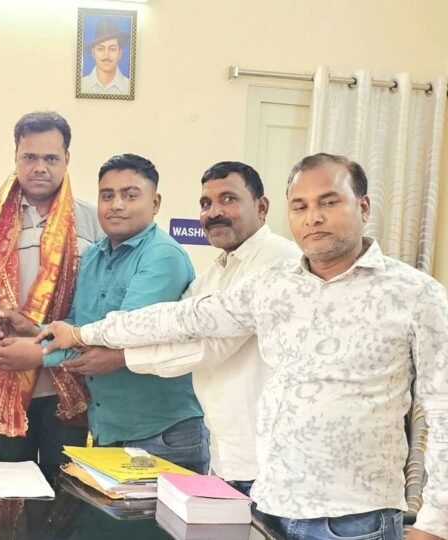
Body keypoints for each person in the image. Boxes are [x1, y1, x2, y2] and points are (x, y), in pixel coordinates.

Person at [41, 153, 448, 540]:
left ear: (363, 207)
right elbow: (182, 319)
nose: (313, 217)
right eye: (301, 206)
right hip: (268, 503)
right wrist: (82, 334)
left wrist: (435, 521)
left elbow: (443, 409)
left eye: (329, 202)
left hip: (353, 518)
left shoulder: (415, 294)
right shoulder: (274, 285)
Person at [0, 154, 208, 474]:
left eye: (130, 195)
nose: (116, 205)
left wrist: (36, 355)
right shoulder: (95, 255)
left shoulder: (162, 256)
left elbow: (124, 336)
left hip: (160, 432)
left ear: (155, 203)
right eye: (107, 195)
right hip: (108, 426)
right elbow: (78, 324)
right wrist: (33, 328)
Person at [121, 161, 299, 494]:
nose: (214, 212)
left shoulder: (281, 260)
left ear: (262, 207)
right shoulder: (214, 274)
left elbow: (210, 346)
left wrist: (116, 356)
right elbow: (173, 326)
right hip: (226, 458)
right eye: (206, 203)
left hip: (272, 466)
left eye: (229, 199)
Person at [0, 111, 101, 481]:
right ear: (15, 157)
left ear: (67, 159)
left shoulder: (92, 220)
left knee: (67, 485)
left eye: (50, 158)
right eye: (29, 157)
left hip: (70, 379)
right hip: (6, 375)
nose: (39, 167)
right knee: (12, 485)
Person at [80, 17, 131, 95]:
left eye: (112, 49)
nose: (106, 56)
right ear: (93, 53)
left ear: (120, 53)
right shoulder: (82, 85)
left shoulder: (128, 87)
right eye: (100, 49)